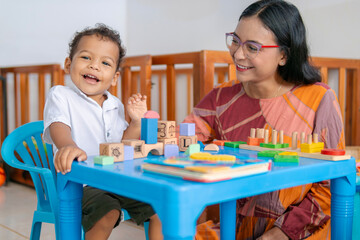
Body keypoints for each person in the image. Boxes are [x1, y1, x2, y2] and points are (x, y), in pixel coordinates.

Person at [186, 1, 344, 239]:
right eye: (236, 41)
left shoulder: (320, 99)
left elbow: (331, 185)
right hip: (234, 227)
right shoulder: (220, 97)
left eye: (252, 47)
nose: (238, 54)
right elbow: (181, 143)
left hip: (298, 231)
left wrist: (279, 234)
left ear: (283, 55)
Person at [43, 24, 162, 240]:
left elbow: (122, 145)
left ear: (114, 78)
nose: (94, 66)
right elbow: (58, 124)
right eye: (86, 58)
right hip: (81, 183)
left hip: (115, 179)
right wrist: (67, 146)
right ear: (69, 64)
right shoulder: (60, 95)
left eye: (105, 63)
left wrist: (135, 122)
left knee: (160, 205)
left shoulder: (114, 104)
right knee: (108, 212)